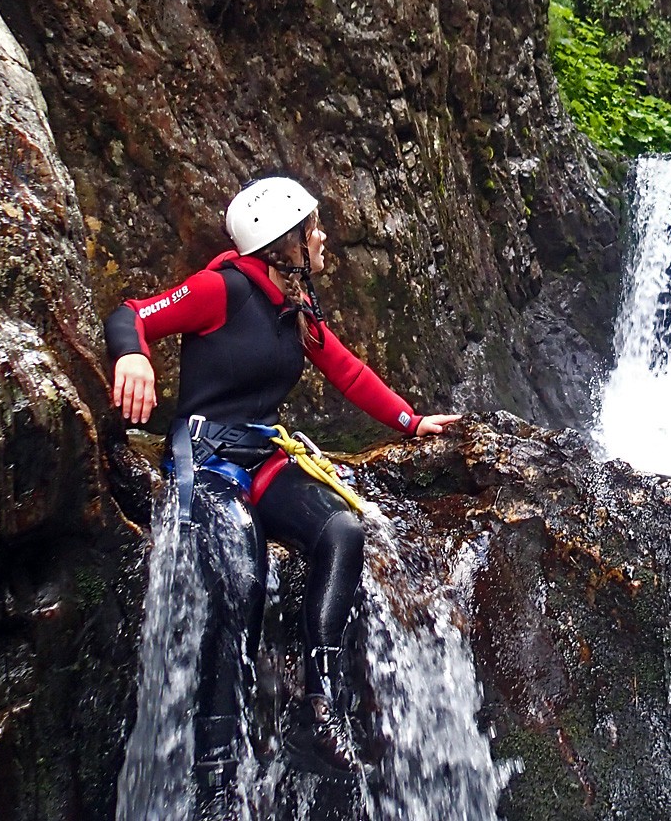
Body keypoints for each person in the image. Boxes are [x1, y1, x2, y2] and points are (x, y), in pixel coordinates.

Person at [105, 177, 459, 805]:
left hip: (262, 457)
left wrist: (410, 420)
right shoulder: (223, 288)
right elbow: (132, 313)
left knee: (341, 531)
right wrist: (132, 355)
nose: (322, 237)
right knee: (241, 579)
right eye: (312, 227)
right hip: (207, 458)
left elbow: (346, 369)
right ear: (283, 241)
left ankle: (315, 713)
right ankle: (214, 782)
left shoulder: (294, 305)